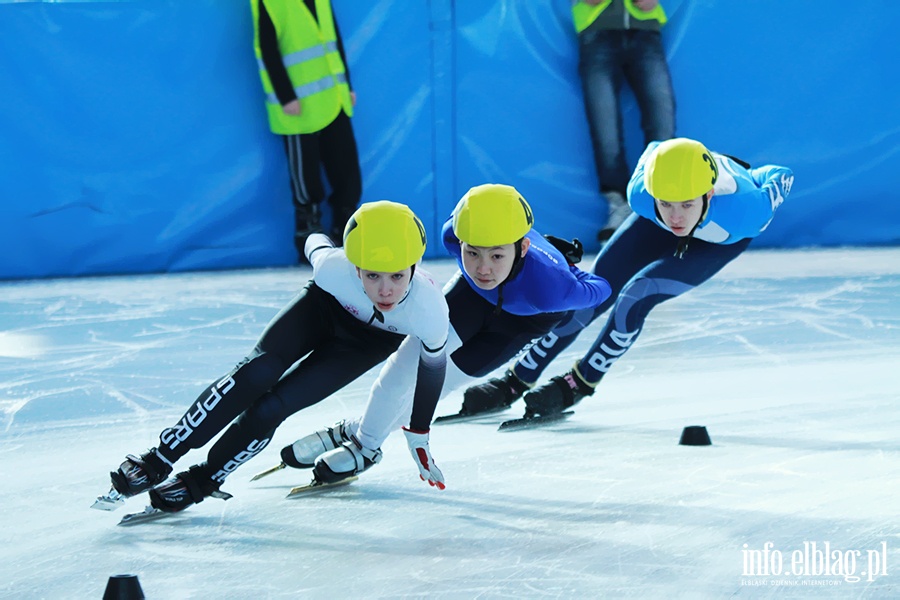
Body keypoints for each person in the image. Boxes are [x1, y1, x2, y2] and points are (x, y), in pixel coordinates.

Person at [96, 201, 450, 514]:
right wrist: (317, 235)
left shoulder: (429, 311)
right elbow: (315, 242)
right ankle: (162, 455)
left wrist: (418, 431)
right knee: (256, 372)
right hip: (323, 308)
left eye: (397, 276)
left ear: (415, 267)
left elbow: (433, 371)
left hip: (364, 344)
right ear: (355, 266)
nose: (385, 289)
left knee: (272, 408)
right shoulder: (333, 268)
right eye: (372, 275)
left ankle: (205, 478)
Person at [274, 183, 613, 488]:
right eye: (473, 253)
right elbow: (474, 262)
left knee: (439, 386)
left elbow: (602, 288)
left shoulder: (555, 289)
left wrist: (567, 269)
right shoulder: (452, 234)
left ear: (523, 248)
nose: (483, 268)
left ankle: (359, 432)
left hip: (521, 323)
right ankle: (366, 445)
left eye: (497, 255)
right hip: (470, 299)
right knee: (407, 367)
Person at [461, 138, 794, 420]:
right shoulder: (642, 194)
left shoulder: (747, 211)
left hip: (716, 239)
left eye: (686, 205)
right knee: (589, 294)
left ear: (708, 195)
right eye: (666, 204)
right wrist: (669, 204)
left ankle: (582, 381)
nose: (676, 217)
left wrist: (745, 170)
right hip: (653, 223)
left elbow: (780, 175)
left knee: (638, 294)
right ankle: (517, 378)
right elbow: (654, 149)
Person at [252, 0, 362, 261]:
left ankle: (345, 226)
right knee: (306, 174)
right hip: (297, 105)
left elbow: (332, 38)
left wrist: (346, 83)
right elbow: (266, 49)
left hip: (333, 98)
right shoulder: (269, 3)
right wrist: (285, 95)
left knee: (346, 167)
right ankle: (308, 231)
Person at [573, 0, 676, 240]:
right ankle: (619, 206)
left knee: (662, 118)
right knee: (604, 127)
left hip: (645, 33)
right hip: (596, 33)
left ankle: (662, 203)